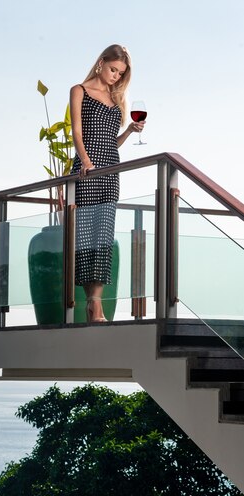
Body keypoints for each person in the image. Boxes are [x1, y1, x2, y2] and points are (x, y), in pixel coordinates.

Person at [69, 44, 145, 322]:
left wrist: (129, 131)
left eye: (120, 73)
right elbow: (77, 131)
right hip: (87, 171)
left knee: (103, 237)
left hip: (111, 172)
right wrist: (86, 161)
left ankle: (95, 303)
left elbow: (111, 144)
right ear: (101, 62)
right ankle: (93, 304)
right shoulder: (79, 91)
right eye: (113, 69)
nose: (115, 76)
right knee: (86, 237)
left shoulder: (116, 98)